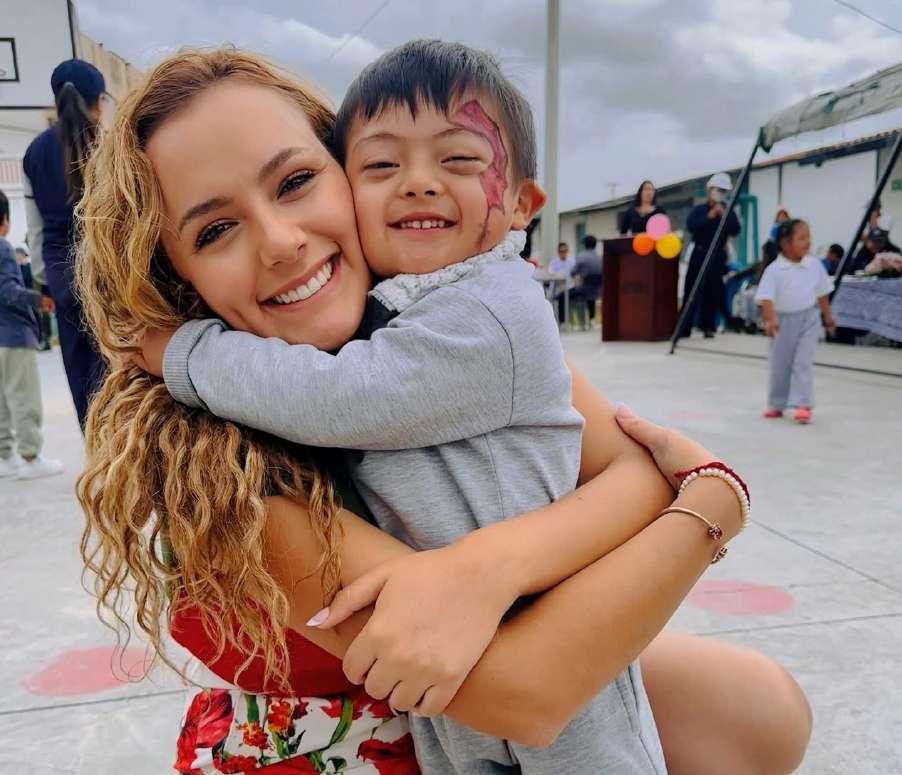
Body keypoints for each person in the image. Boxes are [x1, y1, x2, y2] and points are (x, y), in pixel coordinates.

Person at [76, 47, 811, 775]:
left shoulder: (443, 316)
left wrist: (486, 567)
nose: (281, 242)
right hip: (395, 727)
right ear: (175, 280)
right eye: (214, 231)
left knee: (762, 708)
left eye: (296, 182)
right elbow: (526, 693)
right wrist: (709, 504)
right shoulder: (220, 464)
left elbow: (638, 463)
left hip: (470, 690)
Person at [22, 59, 107, 430]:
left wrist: (46, 282)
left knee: (80, 374)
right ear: (98, 101)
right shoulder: (109, 144)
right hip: (108, 267)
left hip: (62, 274)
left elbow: (36, 228)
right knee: (123, 369)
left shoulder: (35, 153)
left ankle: (96, 451)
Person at [0, 191, 63, 479]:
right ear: (5, 220)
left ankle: (5, 456)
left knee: (2, 399)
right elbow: (8, 291)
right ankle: (30, 457)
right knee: (23, 396)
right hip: (13, 334)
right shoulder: (3, 248)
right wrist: (40, 300)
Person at [756, 218, 836, 424]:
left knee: (802, 362)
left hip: (809, 319)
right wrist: (770, 320)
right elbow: (766, 298)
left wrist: (827, 316)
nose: (808, 242)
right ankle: (777, 404)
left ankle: (803, 404)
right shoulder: (774, 270)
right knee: (780, 364)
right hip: (782, 323)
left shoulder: (814, 265)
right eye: (802, 238)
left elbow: (822, 293)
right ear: (785, 243)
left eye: (809, 237)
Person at [679, 172, 741, 338]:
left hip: (717, 256)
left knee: (713, 292)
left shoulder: (728, 211)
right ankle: (684, 327)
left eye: (723, 191)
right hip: (699, 253)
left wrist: (724, 215)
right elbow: (691, 226)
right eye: (718, 189)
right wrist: (710, 216)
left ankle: (708, 326)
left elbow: (735, 230)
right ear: (709, 189)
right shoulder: (699, 209)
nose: (720, 193)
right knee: (691, 290)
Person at [568, 233, 602, 327]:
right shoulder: (600, 257)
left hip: (585, 289)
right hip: (599, 289)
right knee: (590, 295)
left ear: (584, 245)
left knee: (567, 295)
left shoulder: (581, 256)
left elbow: (573, 272)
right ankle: (592, 320)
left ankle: (580, 323)